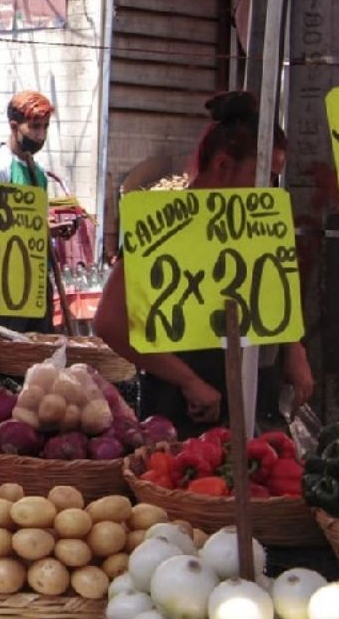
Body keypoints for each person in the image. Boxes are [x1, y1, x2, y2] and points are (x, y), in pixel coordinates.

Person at [93, 91, 315, 439]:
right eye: (266, 176)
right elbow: (109, 322)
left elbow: (274, 298)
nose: (270, 188)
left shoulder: (262, 222)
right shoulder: (160, 225)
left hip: (259, 408)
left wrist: (294, 349)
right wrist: (188, 380)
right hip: (180, 416)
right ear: (224, 165)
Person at [0, 90, 59, 333]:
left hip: (37, 278)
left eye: (45, 127)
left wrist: (49, 227)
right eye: (34, 127)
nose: (40, 135)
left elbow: (38, 219)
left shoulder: (38, 171)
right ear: (14, 126)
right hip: (6, 281)